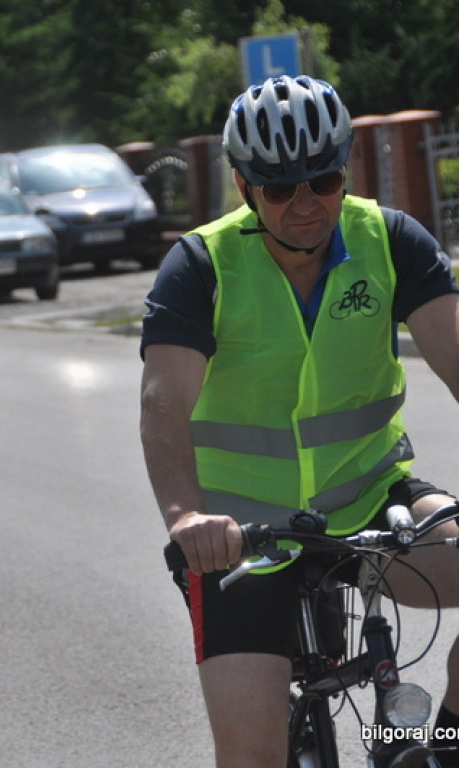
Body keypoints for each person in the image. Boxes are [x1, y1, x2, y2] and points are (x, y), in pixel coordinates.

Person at [139, 75, 459, 767]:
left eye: (324, 180)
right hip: (243, 535)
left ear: (347, 170)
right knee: (252, 755)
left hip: (371, 497)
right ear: (243, 185)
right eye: (280, 189)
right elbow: (163, 401)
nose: (306, 204)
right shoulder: (199, 265)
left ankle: (446, 745)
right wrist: (186, 517)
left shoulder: (392, 241)